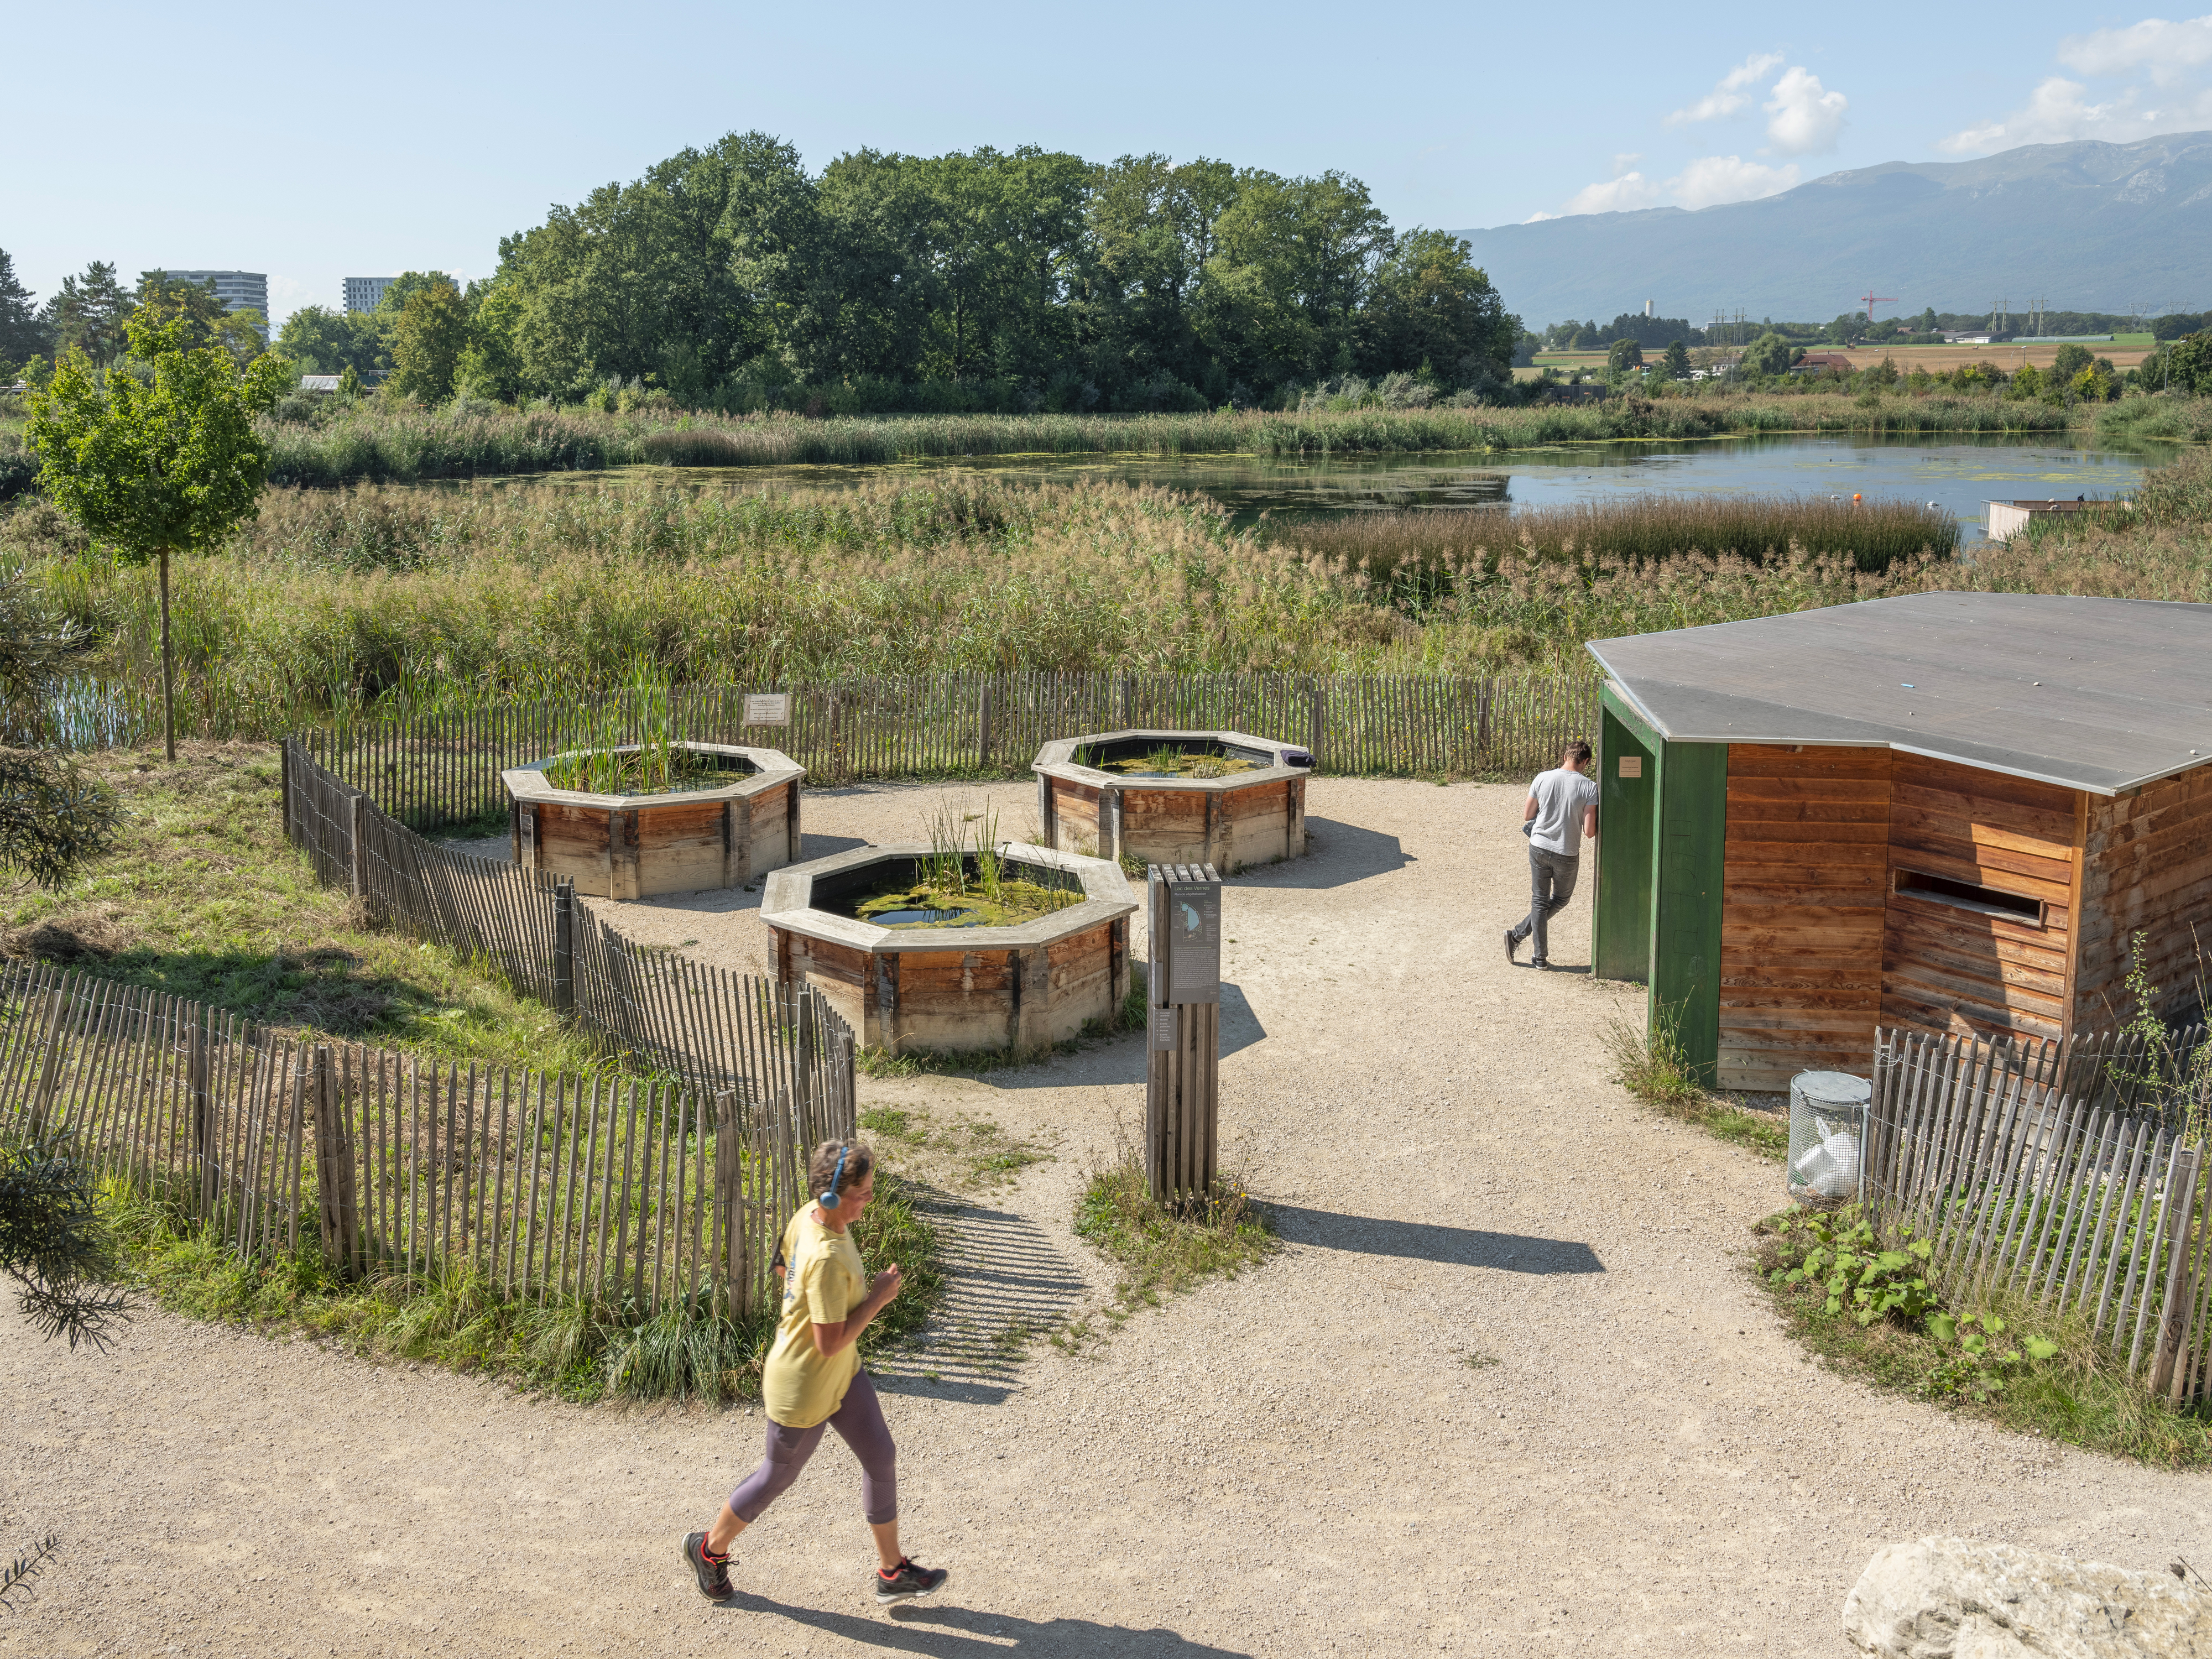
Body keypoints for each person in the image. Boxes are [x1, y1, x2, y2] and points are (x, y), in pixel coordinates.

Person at [683, 1139, 949, 1609]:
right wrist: (878, 1298)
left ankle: (892, 1572)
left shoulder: (811, 1214)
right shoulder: (826, 1255)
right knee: (776, 1479)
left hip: (842, 1373)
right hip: (805, 1383)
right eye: (864, 1191)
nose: (871, 1197)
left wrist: (800, 1309)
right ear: (834, 1196)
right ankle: (708, 1550)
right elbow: (826, 1341)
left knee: (880, 1455)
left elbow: (782, 1266)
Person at [1505, 739, 1599, 970]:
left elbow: (1528, 814)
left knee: (1539, 901)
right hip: (1566, 852)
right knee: (1560, 899)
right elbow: (1589, 832)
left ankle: (1538, 955)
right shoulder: (1589, 787)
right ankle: (1518, 937)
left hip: (1538, 846)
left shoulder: (1543, 777)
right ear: (1585, 761)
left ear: (1566, 756)